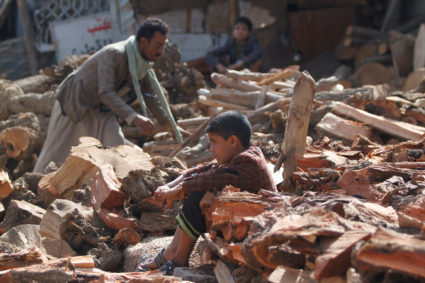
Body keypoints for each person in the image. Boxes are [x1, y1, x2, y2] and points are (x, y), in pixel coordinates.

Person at [34, 17, 183, 173]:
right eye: (158, 45)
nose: (160, 52)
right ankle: (33, 185)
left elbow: (150, 95)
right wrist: (134, 117)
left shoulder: (142, 65)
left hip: (102, 111)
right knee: (56, 156)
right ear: (144, 42)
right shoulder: (114, 54)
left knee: (118, 150)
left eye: (162, 46)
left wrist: (171, 126)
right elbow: (105, 92)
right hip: (75, 105)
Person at [138, 111, 277, 275]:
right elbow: (203, 169)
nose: (211, 149)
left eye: (214, 142)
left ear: (232, 141)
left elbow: (211, 179)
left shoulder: (249, 162)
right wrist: (169, 186)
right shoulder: (239, 155)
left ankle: (179, 260)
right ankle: (171, 252)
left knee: (197, 195)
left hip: (255, 227)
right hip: (239, 220)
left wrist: (177, 191)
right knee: (195, 191)